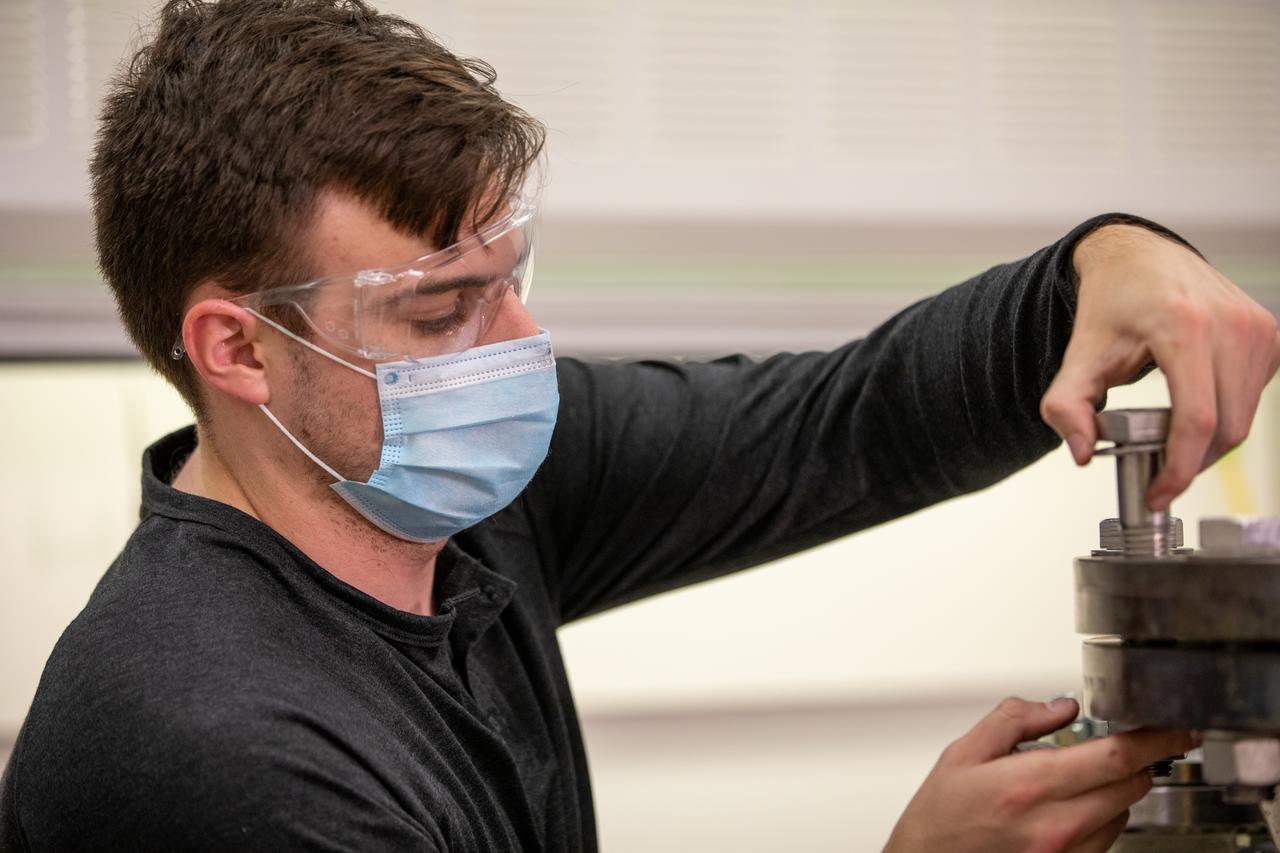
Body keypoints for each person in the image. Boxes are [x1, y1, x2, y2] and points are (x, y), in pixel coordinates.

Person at [1, 1, 1276, 851]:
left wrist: (1102, 268)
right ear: (237, 348)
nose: (516, 350)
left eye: (513, 280)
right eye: (441, 309)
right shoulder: (216, 755)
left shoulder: (453, 500)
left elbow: (845, 424)